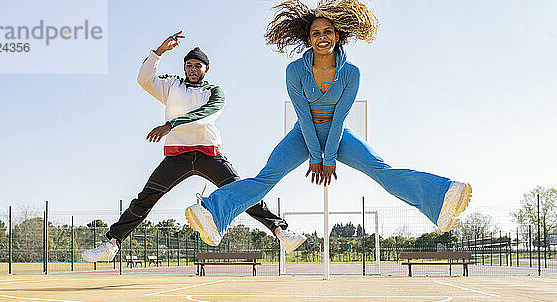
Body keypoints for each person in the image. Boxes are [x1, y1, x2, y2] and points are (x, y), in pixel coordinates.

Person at [185, 0, 472, 246]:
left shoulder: (352, 73)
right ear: (308, 39)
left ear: (338, 35)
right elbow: (303, 116)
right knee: (266, 178)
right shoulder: (295, 70)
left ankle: (442, 197)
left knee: (381, 171)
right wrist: (314, 155)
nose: (322, 37)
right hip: (303, 134)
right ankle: (211, 211)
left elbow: (340, 117)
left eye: (328, 32)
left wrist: (329, 157)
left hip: (338, 135)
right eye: (315, 33)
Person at [82, 32, 306, 262]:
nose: (192, 69)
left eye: (197, 65)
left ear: (206, 68)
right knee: (146, 197)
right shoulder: (172, 86)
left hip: (208, 154)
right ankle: (111, 243)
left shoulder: (214, 92)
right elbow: (144, 79)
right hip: (177, 157)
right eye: (188, 65)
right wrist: (158, 52)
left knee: (242, 193)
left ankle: (281, 231)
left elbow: (206, 115)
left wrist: (172, 124)